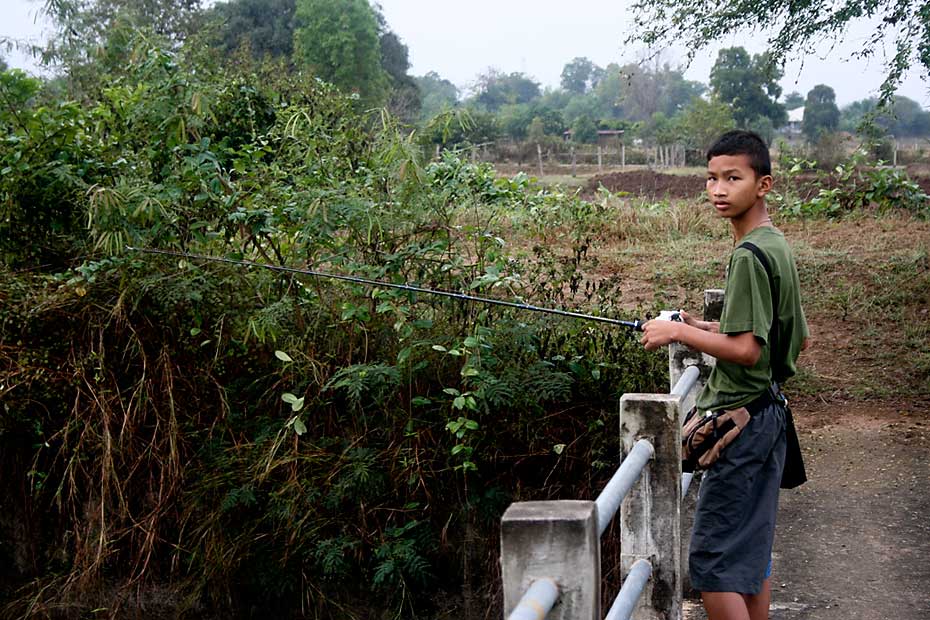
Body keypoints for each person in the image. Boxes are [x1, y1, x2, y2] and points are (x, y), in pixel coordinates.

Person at [639, 130, 809, 620]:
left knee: (713, 564)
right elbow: (793, 336)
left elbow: (748, 350)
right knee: (749, 559)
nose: (718, 189)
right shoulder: (774, 244)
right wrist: (705, 325)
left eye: (733, 177)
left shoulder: (748, 257)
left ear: (764, 184)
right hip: (769, 416)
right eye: (712, 178)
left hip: (741, 425)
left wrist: (677, 335)